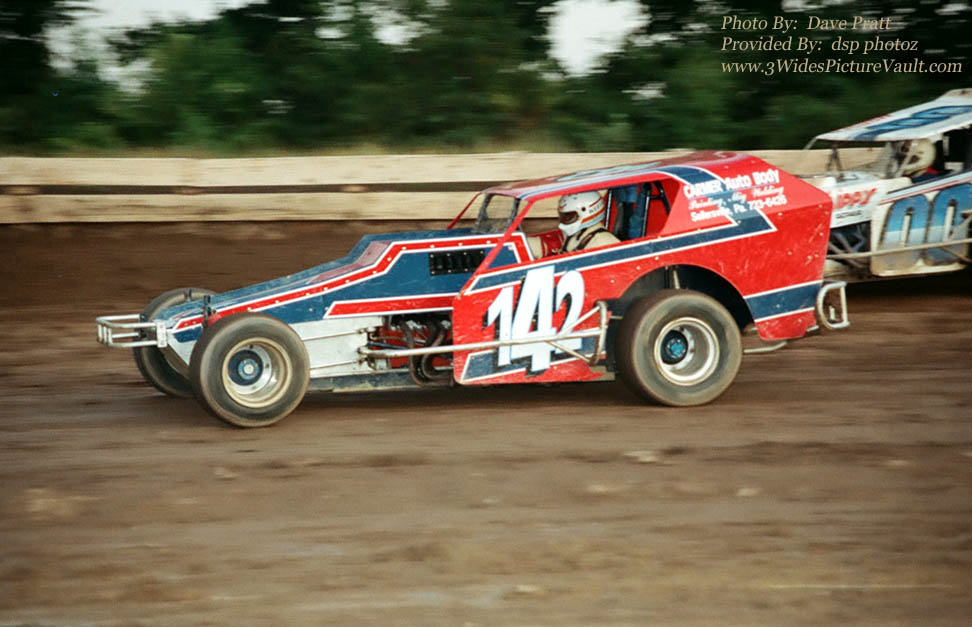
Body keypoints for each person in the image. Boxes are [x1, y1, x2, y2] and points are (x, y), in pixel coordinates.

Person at [528, 191, 619, 257]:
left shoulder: (604, 242)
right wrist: (522, 243)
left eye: (570, 216)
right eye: (563, 216)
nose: (565, 220)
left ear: (589, 211)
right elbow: (551, 244)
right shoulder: (576, 233)